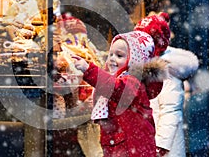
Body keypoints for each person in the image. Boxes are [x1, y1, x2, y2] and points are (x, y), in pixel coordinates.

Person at [72, 16, 169, 156]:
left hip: (132, 147)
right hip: (119, 144)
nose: (112, 58)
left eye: (119, 55)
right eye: (111, 54)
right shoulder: (119, 79)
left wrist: (89, 70)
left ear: (135, 60)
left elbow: (113, 88)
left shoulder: (133, 83)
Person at [134, 12, 199, 157]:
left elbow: (171, 110)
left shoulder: (166, 70)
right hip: (149, 139)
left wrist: (160, 145)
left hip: (164, 147)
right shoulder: (148, 66)